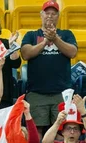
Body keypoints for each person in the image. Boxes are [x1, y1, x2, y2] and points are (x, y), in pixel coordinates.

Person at [21, 1, 78, 133]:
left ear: (58, 16)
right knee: (36, 131)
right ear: (41, 15)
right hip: (37, 93)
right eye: (47, 13)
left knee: (62, 130)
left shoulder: (66, 34)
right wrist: (46, 41)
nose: (50, 16)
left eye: (53, 13)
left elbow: (72, 52)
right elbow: (26, 53)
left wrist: (55, 39)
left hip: (62, 92)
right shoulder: (31, 35)